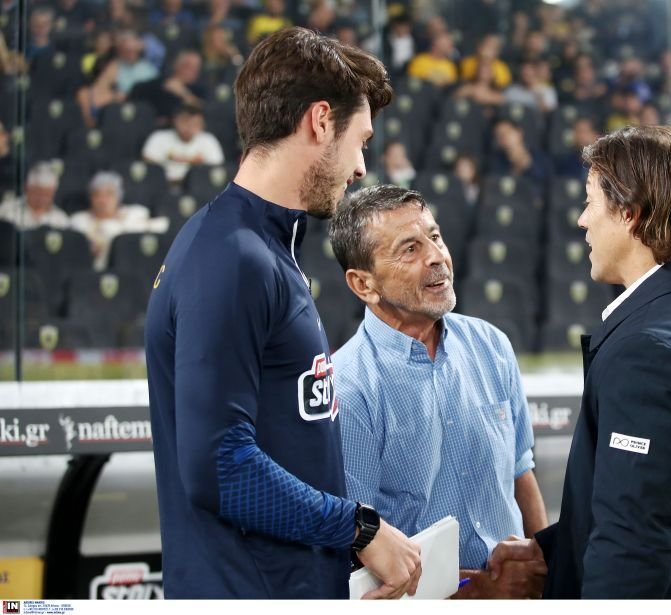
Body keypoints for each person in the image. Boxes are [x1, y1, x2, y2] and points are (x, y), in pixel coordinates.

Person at [144, 27, 422, 600]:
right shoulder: (232, 259)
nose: (361, 168)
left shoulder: (259, 248)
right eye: (360, 141)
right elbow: (218, 466)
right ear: (320, 121)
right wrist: (358, 528)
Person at [489, 125, 671, 598]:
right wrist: (554, 552)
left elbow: (633, 545)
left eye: (590, 202)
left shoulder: (649, 350)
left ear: (629, 213)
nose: (582, 220)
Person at [328, 184, 548, 599]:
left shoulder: (492, 345)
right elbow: (355, 546)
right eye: (410, 249)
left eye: (435, 237)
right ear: (363, 284)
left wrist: (546, 567)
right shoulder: (349, 387)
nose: (436, 256)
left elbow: (521, 471)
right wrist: (474, 589)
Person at [69, 171, 168, 270]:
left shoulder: (135, 213)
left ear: (118, 196)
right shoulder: (79, 221)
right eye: (97, 194)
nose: (102, 200)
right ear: (90, 197)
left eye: (109, 194)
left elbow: (161, 225)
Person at [141, 104, 225, 184]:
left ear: (202, 125)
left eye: (194, 123)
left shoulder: (208, 140)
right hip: (163, 186)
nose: (189, 127)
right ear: (175, 120)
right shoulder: (158, 137)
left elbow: (216, 168)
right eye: (185, 122)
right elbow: (148, 165)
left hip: (198, 187)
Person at [0, 162, 69, 230]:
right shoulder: (6, 211)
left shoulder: (60, 219)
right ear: (27, 189)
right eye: (38, 193)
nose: (42, 198)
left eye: (47, 194)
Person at [75, 52, 125, 129]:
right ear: (104, 68)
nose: (117, 72)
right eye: (114, 68)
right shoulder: (84, 93)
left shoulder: (118, 96)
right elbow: (85, 120)